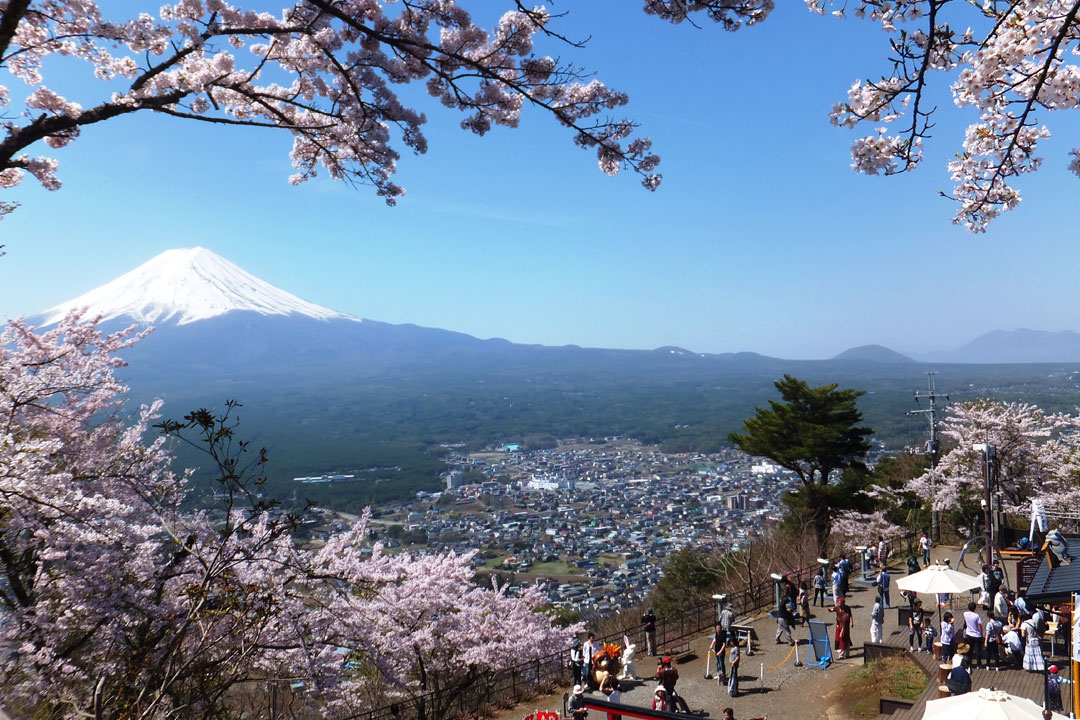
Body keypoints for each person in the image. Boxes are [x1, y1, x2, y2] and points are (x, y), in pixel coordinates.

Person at [962, 601, 985, 668]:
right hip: (977, 635)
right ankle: (978, 664)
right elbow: (980, 626)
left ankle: (968, 663)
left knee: (969, 649)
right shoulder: (976, 616)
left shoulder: (965, 614)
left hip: (969, 634)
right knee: (978, 650)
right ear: (975, 608)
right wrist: (981, 633)